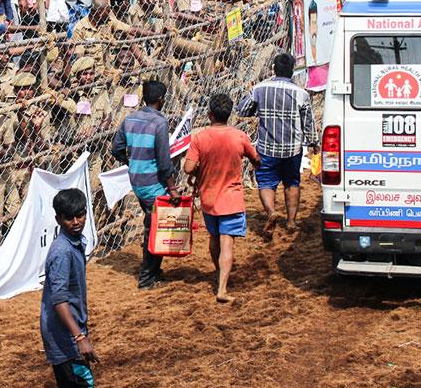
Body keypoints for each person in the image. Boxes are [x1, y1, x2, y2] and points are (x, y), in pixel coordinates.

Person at [184, 92, 260, 303]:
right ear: (229, 114)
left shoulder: (199, 138)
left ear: (210, 115)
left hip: (208, 198)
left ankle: (219, 273)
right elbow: (256, 159)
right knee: (227, 243)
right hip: (231, 199)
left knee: (214, 237)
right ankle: (222, 289)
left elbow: (188, 167)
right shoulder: (239, 136)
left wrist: (200, 172)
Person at [237, 52, 318, 233]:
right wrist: (314, 142)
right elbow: (308, 123)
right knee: (292, 183)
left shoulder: (259, 89)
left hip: (267, 147)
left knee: (266, 182)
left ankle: (271, 212)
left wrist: (258, 108)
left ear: (274, 69)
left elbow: (242, 110)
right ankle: (291, 222)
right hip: (292, 148)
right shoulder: (302, 94)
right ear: (292, 70)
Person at [110, 79, 177, 289]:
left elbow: (116, 148)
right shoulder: (160, 123)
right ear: (161, 99)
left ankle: (154, 271)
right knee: (156, 228)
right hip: (153, 184)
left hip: (137, 181)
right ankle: (147, 278)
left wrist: (131, 162)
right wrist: (172, 188)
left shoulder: (130, 119)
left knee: (153, 221)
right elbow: (164, 161)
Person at [41, 187, 97, 388]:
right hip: (64, 334)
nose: (76, 222)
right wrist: (79, 337)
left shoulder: (74, 242)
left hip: (68, 329)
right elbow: (59, 300)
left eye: (80, 215)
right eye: (69, 218)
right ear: (58, 219)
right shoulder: (62, 252)